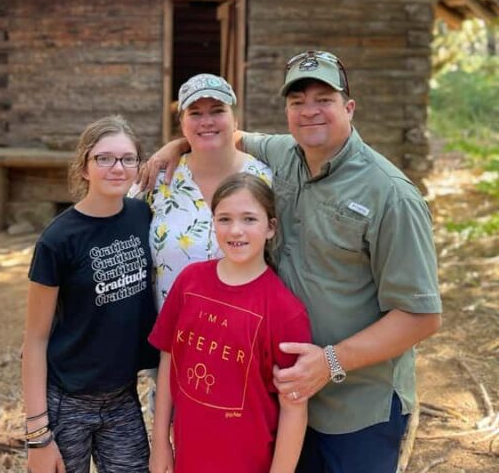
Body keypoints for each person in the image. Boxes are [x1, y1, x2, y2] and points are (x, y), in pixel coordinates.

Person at [141, 51, 442, 473]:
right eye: (297, 101)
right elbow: (227, 134)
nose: (309, 111)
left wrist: (330, 361)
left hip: (356, 405)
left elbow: (421, 317)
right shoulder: (283, 153)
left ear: (349, 108)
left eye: (324, 99)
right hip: (280, 396)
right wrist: (176, 145)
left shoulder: (389, 194)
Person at [149, 172, 312, 473]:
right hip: (188, 459)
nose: (236, 230)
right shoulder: (190, 282)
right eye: (224, 219)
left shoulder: (285, 311)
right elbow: (169, 359)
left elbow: (294, 408)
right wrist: (160, 443)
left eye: (249, 219)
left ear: (270, 228)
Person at [21, 115, 158, 473]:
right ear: (84, 167)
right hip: (67, 401)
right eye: (104, 158)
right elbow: (34, 340)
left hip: (123, 397)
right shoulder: (57, 240)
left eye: (128, 158)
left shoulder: (143, 216)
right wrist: (38, 435)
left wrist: (175, 145)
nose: (117, 167)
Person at [137, 73, 271, 310]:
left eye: (217, 111)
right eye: (195, 113)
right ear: (182, 124)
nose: (206, 121)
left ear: (236, 121)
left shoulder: (266, 179)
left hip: (244, 335)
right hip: (170, 339)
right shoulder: (157, 180)